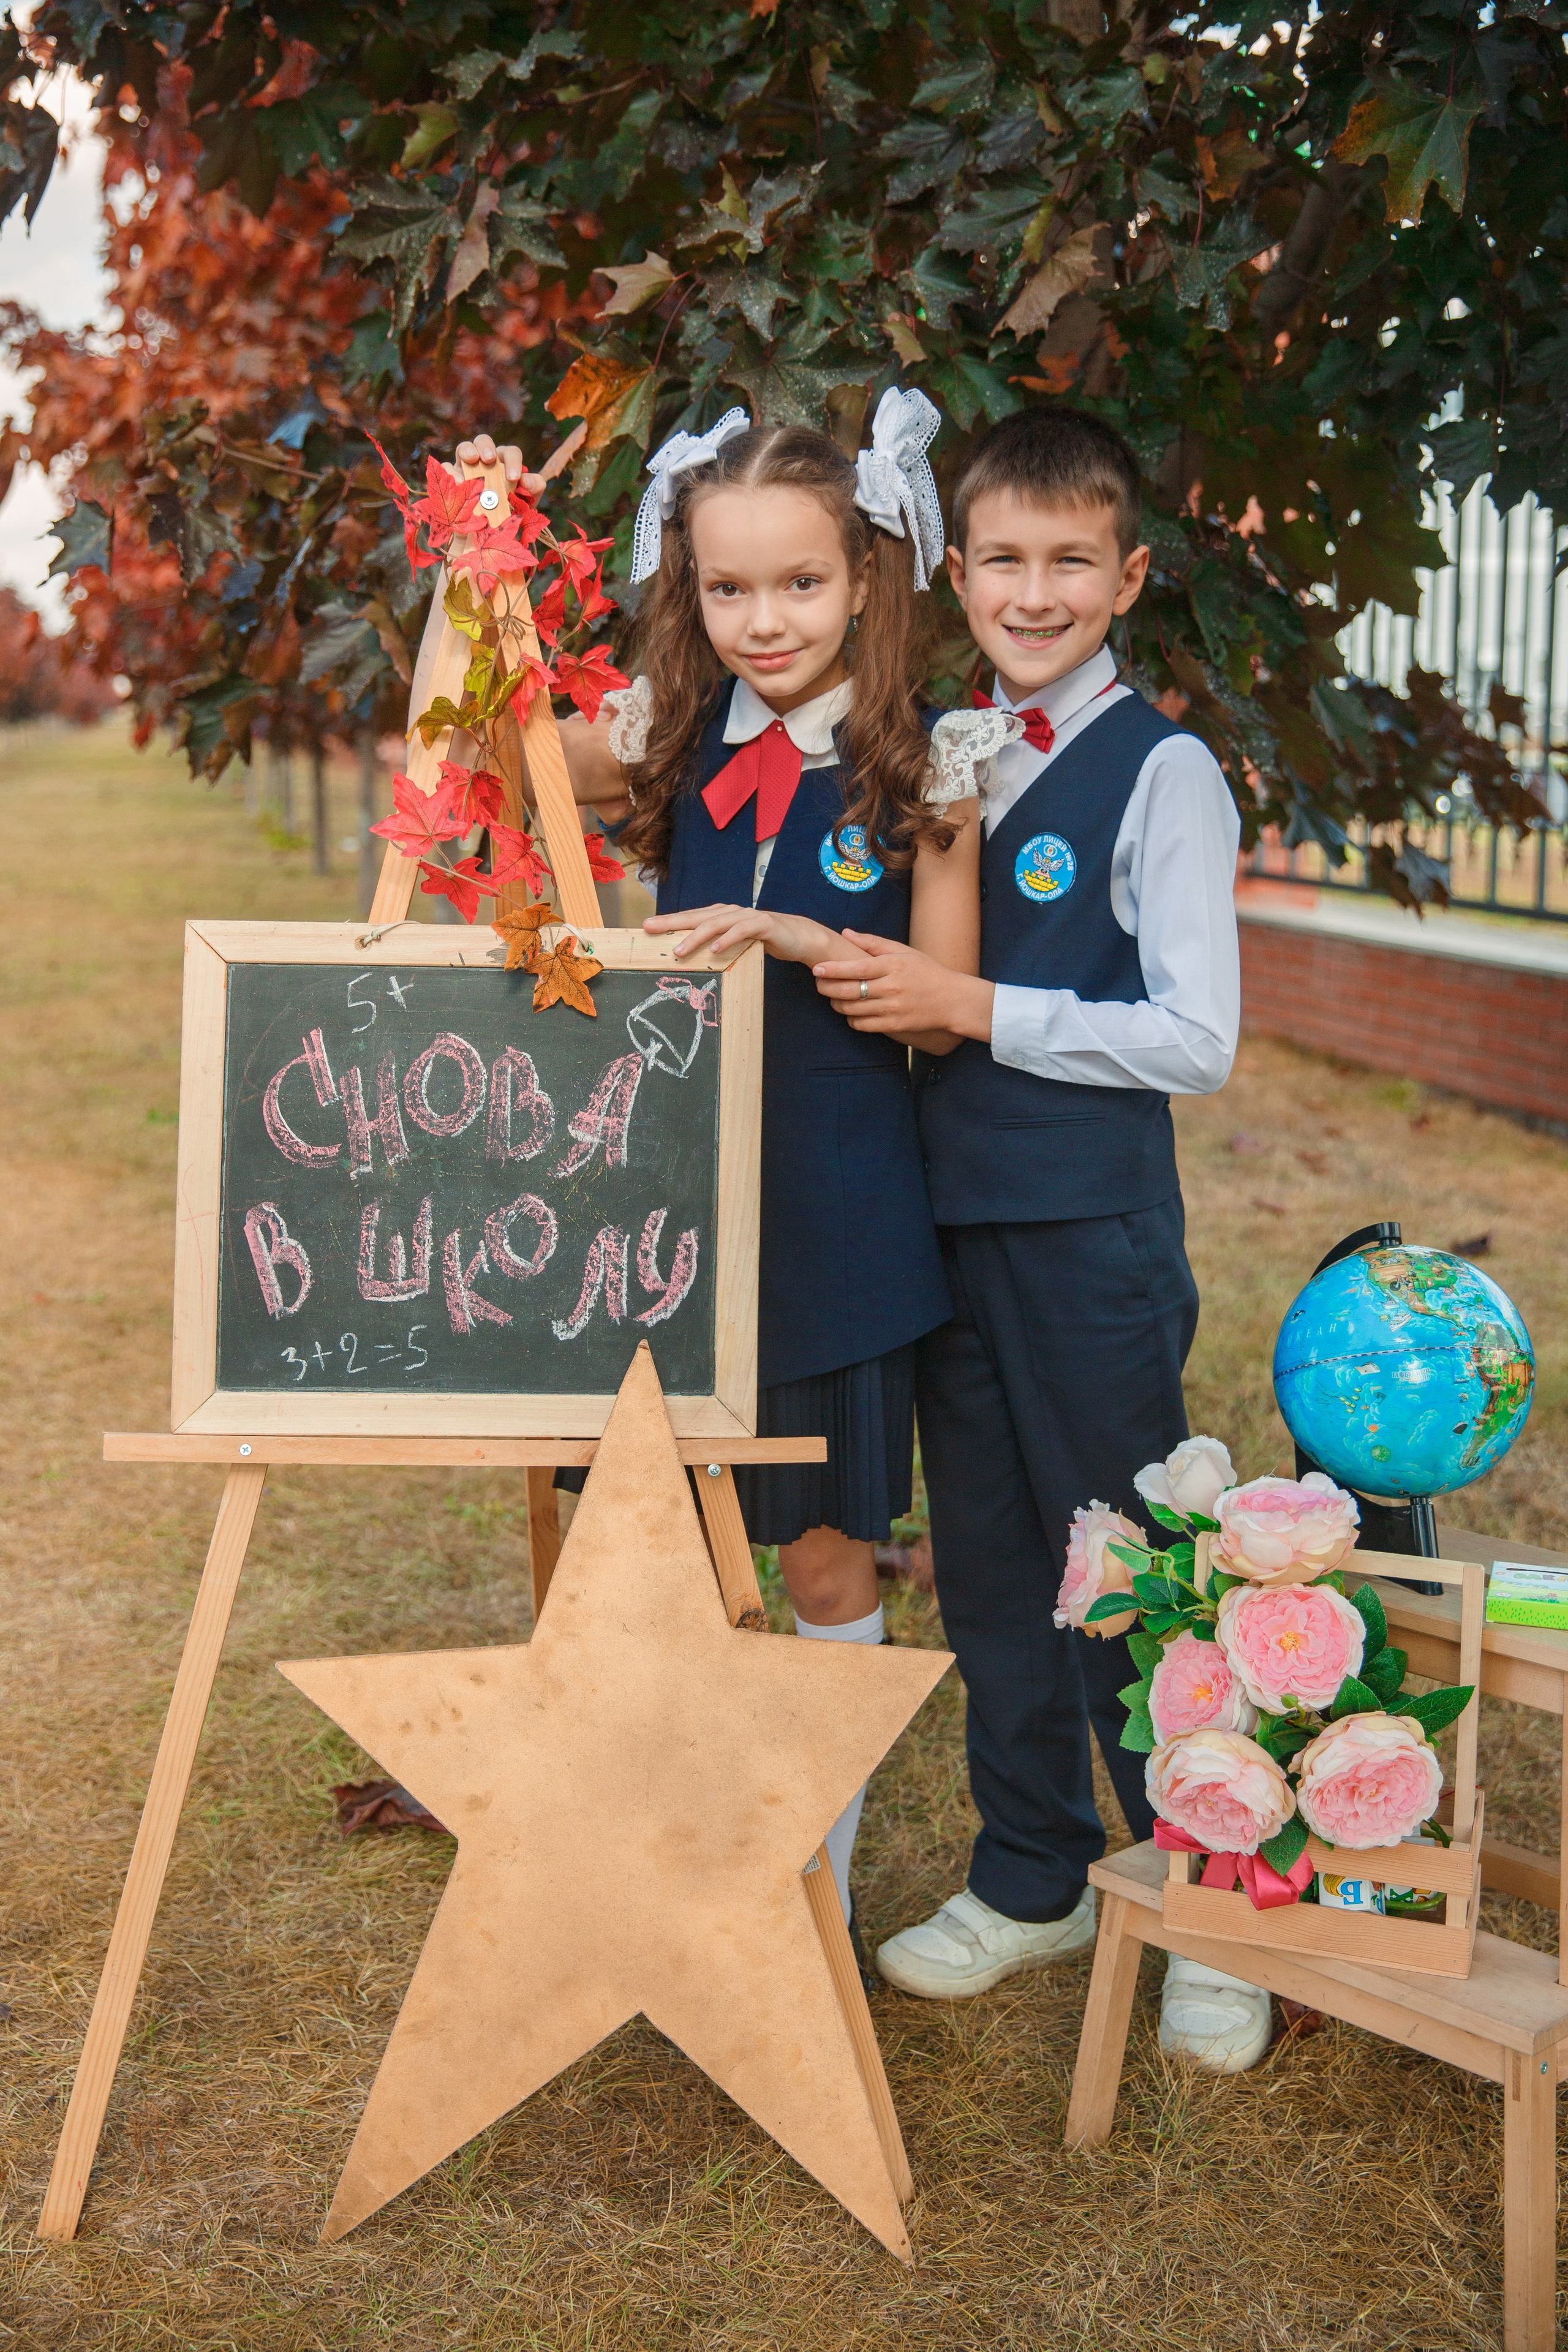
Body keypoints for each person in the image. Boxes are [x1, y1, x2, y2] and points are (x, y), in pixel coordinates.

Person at [810, 407, 1266, 2072]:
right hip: (947, 1227)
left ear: (1127, 575)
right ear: (959, 567)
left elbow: (1194, 1037)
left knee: (1139, 1569)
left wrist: (971, 1007)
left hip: (1088, 1233)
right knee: (997, 1567)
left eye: (1072, 558)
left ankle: (1216, 1900)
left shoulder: (1167, 770)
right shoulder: (942, 749)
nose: (1035, 586)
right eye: (1004, 556)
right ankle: (1033, 1873)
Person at [547, 393, 1008, 1959]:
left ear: (868, 578)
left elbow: (945, 1005)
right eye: (727, 588)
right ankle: (675, 1858)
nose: (763, 621)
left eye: (798, 585)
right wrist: (469, 586)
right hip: (664, 1198)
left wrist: (806, 938)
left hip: (831, 1193)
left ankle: (803, 1893)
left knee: (819, 1543)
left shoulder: (924, 758)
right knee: (659, 1536)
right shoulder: (662, 733)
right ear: (690, 583)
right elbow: (471, 750)